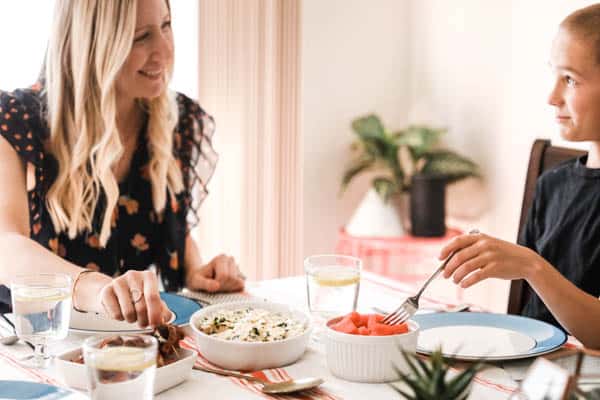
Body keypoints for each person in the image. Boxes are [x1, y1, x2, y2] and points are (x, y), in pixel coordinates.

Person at [0, 0, 245, 329]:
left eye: (167, 26)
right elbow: (5, 244)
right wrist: (94, 287)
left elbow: (170, 229)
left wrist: (199, 272)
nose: (164, 51)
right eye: (140, 37)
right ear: (91, 44)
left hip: (129, 349)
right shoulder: (19, 119)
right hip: (33, 346)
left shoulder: (176, 119)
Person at [440, 4, 600, 349]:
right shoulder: (552, 184)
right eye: (554, 75)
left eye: (570, 79)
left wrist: (531, 265)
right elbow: (530, 324)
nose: (551, 97)